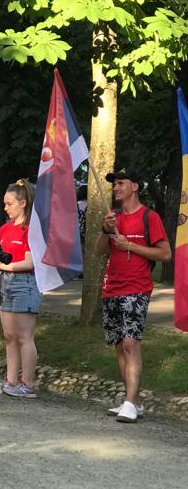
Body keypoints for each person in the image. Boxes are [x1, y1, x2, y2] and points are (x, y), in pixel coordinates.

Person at [95, 169, 170, 423]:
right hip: (111, 288)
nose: (116, 188)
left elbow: (165, 254)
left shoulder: (149, 217)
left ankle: (129, 402)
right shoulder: (112, 217)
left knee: (130, 343)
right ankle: (133, 401)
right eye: (114, 184)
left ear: (135, 186)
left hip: (137, 288)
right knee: (119, 345)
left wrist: (131, 246)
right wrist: (105, 230)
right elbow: (98, 251)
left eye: (121, 183)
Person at [0, 179, 41, 398]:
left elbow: (30, 262)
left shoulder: (30, 229)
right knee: (9, 336)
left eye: (9, 204)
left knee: (24, 336)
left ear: (23, 203)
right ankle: (10, 380)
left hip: (24, 283)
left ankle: (27, 383)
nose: (5, 208)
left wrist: (3, 266)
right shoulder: (5, 228)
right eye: (4, 203)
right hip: (7, 283)